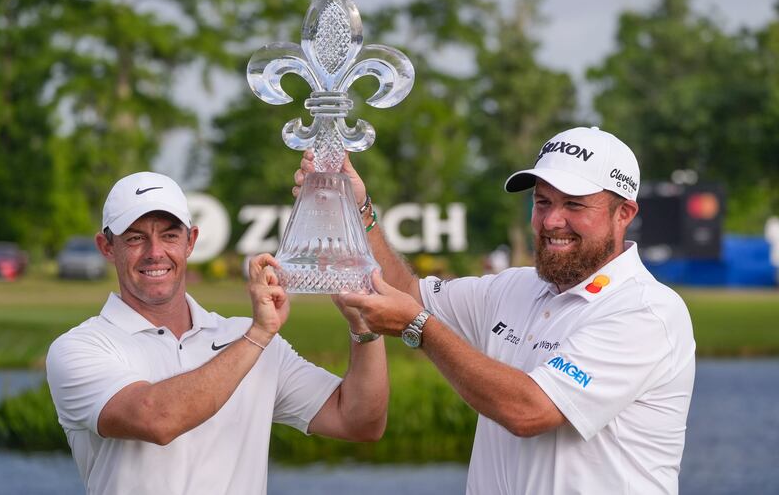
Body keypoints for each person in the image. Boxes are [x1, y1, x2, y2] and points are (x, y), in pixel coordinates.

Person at [295, 126, 696, 494]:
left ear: (624, 213)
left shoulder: (645, 312)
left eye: (574, 205)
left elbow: (529, 412)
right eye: (542, 202)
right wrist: (358, 209)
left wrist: (420, 327)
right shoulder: (515, 286)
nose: (553, 220)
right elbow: (403, 292)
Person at [46, 171, 388, 495]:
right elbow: (156, 418)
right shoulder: (80, 347)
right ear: (107, 247)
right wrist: (258, 334)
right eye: (135, 238)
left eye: (169, 235)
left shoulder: (249, 340)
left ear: (190, 241)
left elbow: (359, 421)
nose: (155, 252)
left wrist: (364, 327)